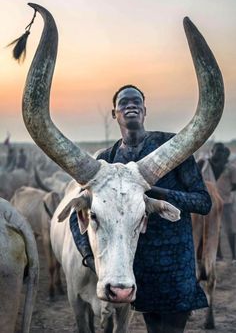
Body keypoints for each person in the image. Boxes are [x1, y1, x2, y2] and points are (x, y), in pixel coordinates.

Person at [70, 85, 212, 333]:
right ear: (114, 113)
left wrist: (157, 192)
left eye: (136, 101)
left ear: (145, 110)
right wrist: (91, 260)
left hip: (176, 265)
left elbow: (203, 202)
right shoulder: (107, 160)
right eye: (123, 102)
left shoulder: (172, 147)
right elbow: (77, 214)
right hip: (139, 269)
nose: (130, 105)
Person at [198, 142, 236, 260]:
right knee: (213, 229)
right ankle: (218, 255)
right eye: (217, 150)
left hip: (226, 203)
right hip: (208, 203)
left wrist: (224, 190)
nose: (219, 153)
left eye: (222, 151)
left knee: (230, 229)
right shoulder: (203, 164)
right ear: (212, 151)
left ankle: (234, 257)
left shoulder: (230, 168)